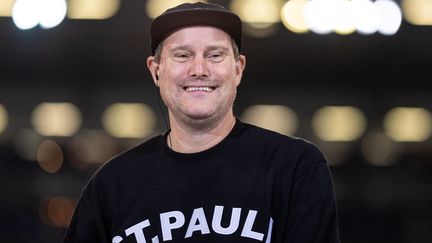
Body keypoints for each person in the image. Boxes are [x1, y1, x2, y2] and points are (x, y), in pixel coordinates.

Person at [62, 2, 340, 243]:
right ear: (156, 70)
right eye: (182, 55)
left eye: (215, 55)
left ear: (238, 68)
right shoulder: (111, 185)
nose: (198, 70)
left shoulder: (293, 167)